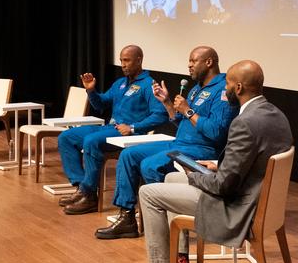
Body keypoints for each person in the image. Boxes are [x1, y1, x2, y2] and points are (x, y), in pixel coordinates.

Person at [129, 59, 292, 263]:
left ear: (238, 88)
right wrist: (217, 166)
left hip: (237, 208)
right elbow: (253, 162)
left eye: (227, 84)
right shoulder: (276, 114)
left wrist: (194, 175)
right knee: (172, 177)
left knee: (148, 193)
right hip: (257, 199)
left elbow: (223, 186)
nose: (225, 88)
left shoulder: (245, 122)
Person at [94, 47, 234, 241]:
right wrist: (168, 103)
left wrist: (188, 111)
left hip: (202, 149)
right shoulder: (196, 88)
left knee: (150, 165)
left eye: (193, 61)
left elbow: (217, 132)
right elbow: (182, 122)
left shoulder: (223, 90)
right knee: (128, 155)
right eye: (189, 61)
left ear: (209, 62)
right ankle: (127, 218)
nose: (189, 65)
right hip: (179, 142)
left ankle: (166, 226)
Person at [57, 46, 163, 215]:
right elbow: (100, 104)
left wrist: (133, 127)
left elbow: (160, 115)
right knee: (66, 137)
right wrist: (91, 90)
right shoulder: (120, 83)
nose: (123, 64)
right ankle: (81, 188)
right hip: (110, 128)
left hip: (128, 133)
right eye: (121, 60)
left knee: (91, 141)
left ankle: (90, 196)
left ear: (139, 60)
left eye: (127, 60)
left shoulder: (149, 85)